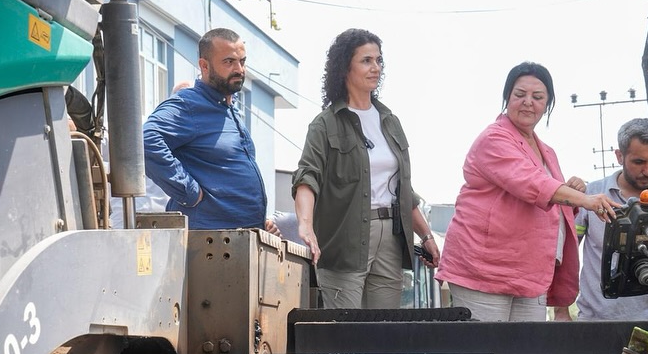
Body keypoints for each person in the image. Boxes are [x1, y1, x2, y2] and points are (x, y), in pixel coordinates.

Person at [435, 62, 619, 322]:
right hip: (484, 270)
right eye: (519, 95)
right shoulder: (494, 138)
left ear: (548, 104)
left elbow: (551, 195)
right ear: (507, 97)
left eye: (538, 97)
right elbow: (532, 184)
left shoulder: (548, 151)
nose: (528, 102)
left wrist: (571, 189)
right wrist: (586, 199)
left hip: (530, 273)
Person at [292, 29, 438, 309]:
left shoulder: (390, 122)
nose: (376, 68)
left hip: (391, 238)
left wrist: (427, 235)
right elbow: (307, 178)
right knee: (346, 334)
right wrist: (306, 225)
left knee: (385, 332)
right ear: (345, 67)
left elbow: (403, 190)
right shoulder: (325, 124)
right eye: (367, 60)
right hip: (345, 240)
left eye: (379, 60)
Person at [143, 28, 277, 233]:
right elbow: (147, 140)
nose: (239, 69)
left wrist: (260, 221)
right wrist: (189, 191)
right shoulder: (189, 104)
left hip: (239, 241)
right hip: (208, 244)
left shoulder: (229, 111)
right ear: (204, 66)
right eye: (229, 62)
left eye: (242, 61)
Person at [560, 118, 648, 321]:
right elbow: (566, 254)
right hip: (597, 320)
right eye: (639, 162)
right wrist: (561, 312)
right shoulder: (591, 196)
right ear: (619, 156)